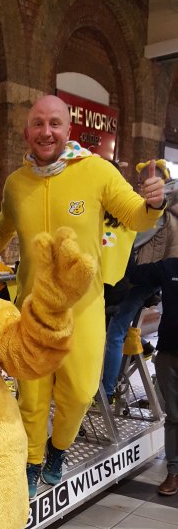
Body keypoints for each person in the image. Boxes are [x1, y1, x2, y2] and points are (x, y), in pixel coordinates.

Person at [0, 94, 166, 497]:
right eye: (38, 123)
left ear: (68, 130)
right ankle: (32, 460)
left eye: (55, 123)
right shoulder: (16, 184)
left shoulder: (96, 172)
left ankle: (58, 449)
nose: (46, 132)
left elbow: (136, 214)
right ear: (27, 132)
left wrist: (155, 203)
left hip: (84, 310)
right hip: (33, 311)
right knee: (32, 395)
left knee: (80, 391)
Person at [102, 160, 178, 400]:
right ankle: (141, 346)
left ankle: (107, 390)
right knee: (118, 327)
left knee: (115, 331)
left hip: (141, 279)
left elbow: (133, 241)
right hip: (149, 279)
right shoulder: (167, 211)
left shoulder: (158, 213)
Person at [128, 256, 178, 494]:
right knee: (174, 417)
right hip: (169, 353)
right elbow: (133, 274)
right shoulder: (169, 268)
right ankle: (173, 472)